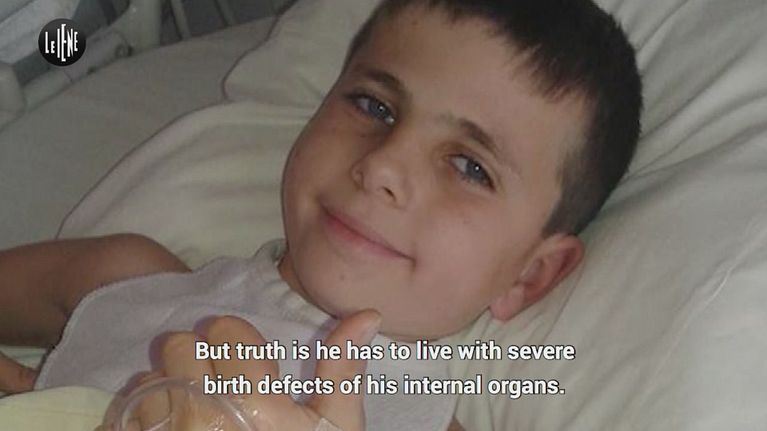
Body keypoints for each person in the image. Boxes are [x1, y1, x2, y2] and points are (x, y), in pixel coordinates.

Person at [0, 0, 642, 429]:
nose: (384, 166)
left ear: (530, 276)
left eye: (471, 167)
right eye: (374, 106)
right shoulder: (122, 280)